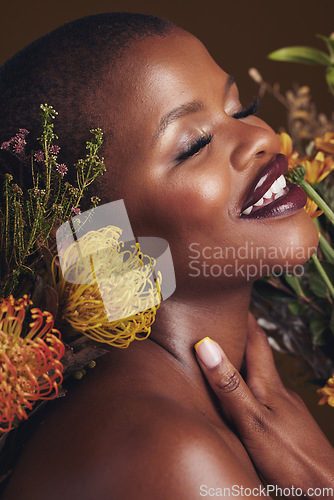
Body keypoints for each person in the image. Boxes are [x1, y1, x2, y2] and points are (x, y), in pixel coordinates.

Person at [1, 12, 333, 499]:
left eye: (240, 109)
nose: (261, 136)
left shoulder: (217, 418)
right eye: (195, 144)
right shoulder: (173, 455)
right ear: (96, 239)